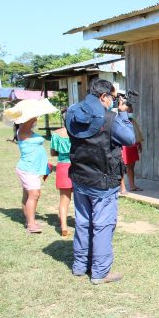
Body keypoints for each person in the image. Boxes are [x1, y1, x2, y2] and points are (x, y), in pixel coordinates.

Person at [66, 79, 135, 284]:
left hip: (79, 176)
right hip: (104, 180)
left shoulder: (71, 113)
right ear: (103, 97)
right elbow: (130, 139)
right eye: (112, 98)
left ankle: (80, 266)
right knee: (103, 225)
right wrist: (122, 114)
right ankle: (100, 272)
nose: (113, 102)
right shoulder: (110, 118)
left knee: (83, 221)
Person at [13, 117, 50, 233]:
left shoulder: (28, 131)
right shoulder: (22, 130)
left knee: (28, 195)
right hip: (28, 169)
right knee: (34, 194)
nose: (35, 120)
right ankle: (31, 224)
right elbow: (30, 118)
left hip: (32, 168)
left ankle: (28, 219)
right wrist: (35, 110)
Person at [50, 109, 72, 236]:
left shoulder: (56, 133)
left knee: (64, 199)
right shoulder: (78, 133)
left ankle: (64, 227)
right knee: (81, 199)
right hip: (78, 166)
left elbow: (53, 153)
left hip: (63, 167)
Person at [120, 103, 144, 194]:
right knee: (121, 167)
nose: (130, 111)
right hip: (124, 146)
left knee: (131, 167)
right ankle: (122, 188)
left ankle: (132, 186)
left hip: (133, 146)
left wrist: (139, 144)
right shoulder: (120, 120)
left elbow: (137, 133)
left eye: (131, 110)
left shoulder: (132, 120)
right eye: (128, 110)